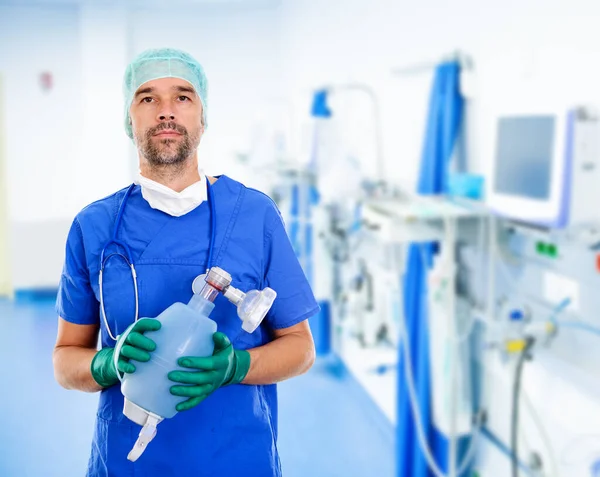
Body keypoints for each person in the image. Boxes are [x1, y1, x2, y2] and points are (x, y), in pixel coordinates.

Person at [52, 47, 319, 477]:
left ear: (202, 116)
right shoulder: (94, 225)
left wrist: (235, 366)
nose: (165, 112)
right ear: (129, 119)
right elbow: (66, 360)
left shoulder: (254, 215)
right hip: (127, 462)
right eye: (147, 98)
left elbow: (301, 348)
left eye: (182, 97)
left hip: (237, 458)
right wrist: (106, 362)